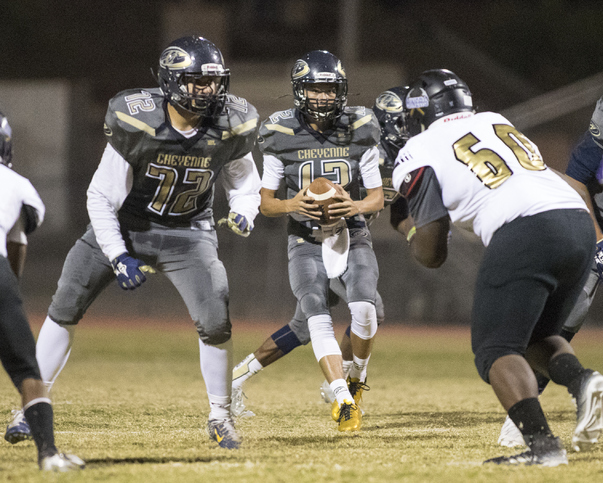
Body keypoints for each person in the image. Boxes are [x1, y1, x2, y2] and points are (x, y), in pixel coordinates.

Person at [3, 36, 261, 450]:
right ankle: (30, 409)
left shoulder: (230, 124)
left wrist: (246, 210)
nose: (208, 91)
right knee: (66, 304)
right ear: (172, 81)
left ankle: (220, 415)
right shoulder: (138, 121)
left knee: (215, 319)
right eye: (197, 82)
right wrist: (119, 255)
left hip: (188, 232)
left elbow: (245, 182)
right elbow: (100, 197)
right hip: (124, 224)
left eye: (213, 82)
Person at [392, 69, 603, 466]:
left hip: (526, 227)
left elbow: (432, 252)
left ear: (419, 112)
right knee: (535, 335)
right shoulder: (496, 120)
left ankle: (543, 448)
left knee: (495, 349)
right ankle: (583, 381)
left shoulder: (417, 149)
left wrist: (405, 227)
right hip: (576, 223)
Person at [230, 85, 412, 418]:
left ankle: (239, 378)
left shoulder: (402, 158)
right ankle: (340, 384)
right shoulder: (360, 143)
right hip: (317, 238)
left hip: (348, 238)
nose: (406, 132)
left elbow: (393, 206)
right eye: (401, 124)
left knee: (305, 325)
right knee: (356, 311)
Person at [497, 90, 603, 448]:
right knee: (567, 313)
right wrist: (598, 242)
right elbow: (575, 183)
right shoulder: (599, 140)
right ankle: (525, 412)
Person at [256, 50, 384, 432]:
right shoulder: (280, 133)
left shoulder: (360, 127)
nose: (324, 97)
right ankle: (343, 400)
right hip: (305, 237)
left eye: (330, 89)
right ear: (300, 91)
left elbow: (377, 197)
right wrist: (292, 203)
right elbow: (265, 204)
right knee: (315, 309)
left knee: (364, 308)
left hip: (351, 230)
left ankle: (356, 378)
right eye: (316, 89)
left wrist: (353, 203)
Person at [0, 112, 85, 471]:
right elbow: (18, 241)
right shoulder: (16, 183)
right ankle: (48, 454)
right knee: (29, 373)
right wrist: (9, 298)